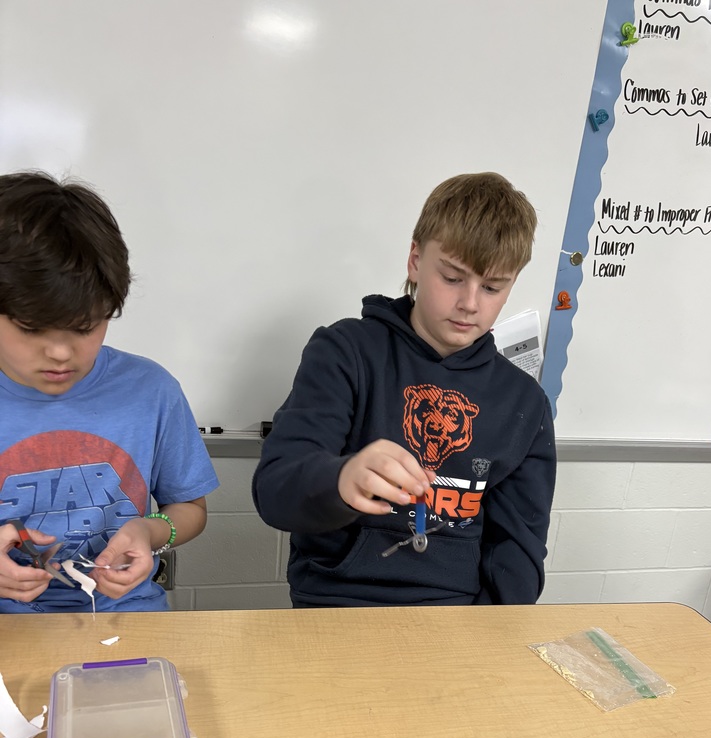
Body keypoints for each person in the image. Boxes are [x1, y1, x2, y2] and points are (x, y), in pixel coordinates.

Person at [253, 171, 555, 607]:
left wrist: (491, 638)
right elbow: (275, 491)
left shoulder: (524, 402)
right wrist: (342, 480)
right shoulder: (344, 352)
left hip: (457, 620)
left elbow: (518, 551)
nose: (470, 302)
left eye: (492, 287)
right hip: (335, 607)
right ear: (415, 260)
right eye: (452, 277)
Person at [0, 171, 218, 613]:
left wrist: (151, 532)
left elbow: (189, 508)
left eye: (85, 327)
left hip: (126, 617)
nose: (61, 353)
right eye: (30, 328)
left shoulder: (150, 390)